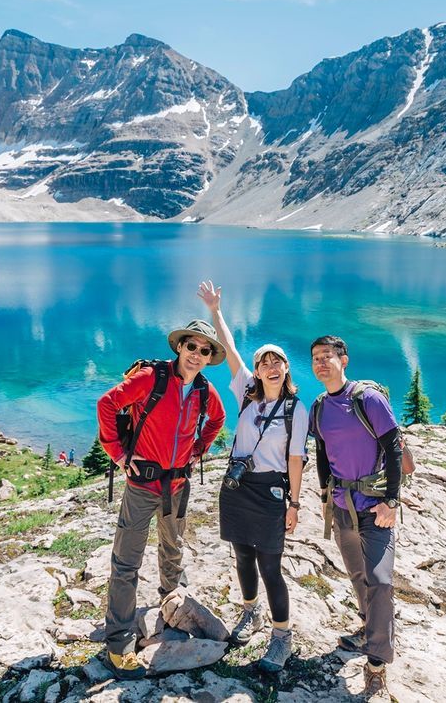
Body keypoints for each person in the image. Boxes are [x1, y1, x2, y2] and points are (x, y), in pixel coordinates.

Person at [96, 318, 227, 680]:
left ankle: (172, 606)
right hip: (142, 485)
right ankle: (119, 642)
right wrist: (118, 454)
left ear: (209, 357)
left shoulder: (204, 391)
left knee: (173, 549)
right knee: (126, 562)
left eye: (204, 350)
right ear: (180, 346)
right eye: (191, 346)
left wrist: (198, 449)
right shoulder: (151, 378)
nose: (196, 354)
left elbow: (217, 420)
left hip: (178, 485)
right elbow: (107, 403)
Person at [198, 280, 306, 674]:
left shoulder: (296, 410)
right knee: (242, 554)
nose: (271, 367)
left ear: (286, 368)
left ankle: (282, 636)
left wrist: (295, 504)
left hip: (271, 491)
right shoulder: (247, 392)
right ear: (257, 371)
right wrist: (216, 311)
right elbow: (229, 349)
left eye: (278, 362)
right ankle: (250, 611)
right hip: (237, 486)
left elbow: (296, 459)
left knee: (270, 566)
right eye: (264, 363)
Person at [310, 335, 413, 702]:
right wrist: (326, 496)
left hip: (374, 507)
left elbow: (394, 448)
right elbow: (322, 454)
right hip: (342, 507)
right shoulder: (319, 407)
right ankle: (369, 629)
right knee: (358, 575)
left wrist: (391, 502)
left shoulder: (367, 399)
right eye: (316, 358)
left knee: (380, 581)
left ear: (344, 360)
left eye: (328, 356)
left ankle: (377, 663)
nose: (321, 362)